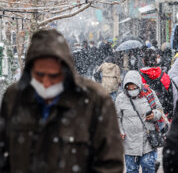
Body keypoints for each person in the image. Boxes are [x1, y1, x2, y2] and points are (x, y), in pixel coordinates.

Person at [0, 29, 124, 172]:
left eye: (53, 76)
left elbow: (110, 164)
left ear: (65, 71)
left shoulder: (95, 100)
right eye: (39, 75)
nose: (46, 83)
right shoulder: (14, 97)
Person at [115, 70, 164, 173]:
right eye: (129, 88)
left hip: (147, 140)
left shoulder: (149, 93)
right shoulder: (120, 99)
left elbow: (160, 110)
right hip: (130, 142)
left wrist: (154, 114)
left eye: (134, 87)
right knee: (132, 169)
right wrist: (120, 131)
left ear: (139, 85)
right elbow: (117, 118)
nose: (132, 90)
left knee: (148, 167)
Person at [139, 48, 173, 119]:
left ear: (143, 61)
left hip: (146, 117)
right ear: (156, 60)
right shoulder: (165, 77)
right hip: (163, 116)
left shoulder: (138, 78)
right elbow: (170, 100)